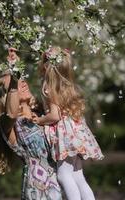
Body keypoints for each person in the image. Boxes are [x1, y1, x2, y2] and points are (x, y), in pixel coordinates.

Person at [0, 48, 62, 199]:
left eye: (21, 78)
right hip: (39, 189)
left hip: (62, 183)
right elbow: (11, 113)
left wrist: (50, 58)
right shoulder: (8, 124)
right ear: (6, 97)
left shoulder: (43, 113)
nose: (22, 81)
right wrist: (14, 73)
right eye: (15, 82)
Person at [32, 46, 104, 200]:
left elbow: (55, 115)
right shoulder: (66, 85)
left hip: (65, 134)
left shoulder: (49, 87)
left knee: (64, 176)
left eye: (44, 61)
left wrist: (40, 120)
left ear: (47, 66)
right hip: (75, 131)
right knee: (78, 176)